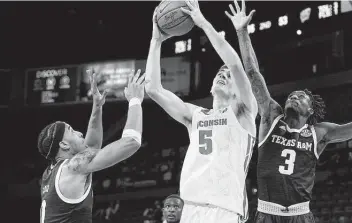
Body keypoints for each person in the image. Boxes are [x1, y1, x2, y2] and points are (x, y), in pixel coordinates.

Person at [227, 0, 352, 222]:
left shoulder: (319, 133)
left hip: (300, 215)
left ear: (310, 109)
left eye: (300, 97)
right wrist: (241, 31)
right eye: (291, 96)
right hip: (267, 213)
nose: (293, 97)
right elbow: (253, 74)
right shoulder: (271, 117)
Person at [145, 0, 258, 222]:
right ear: (210, 87)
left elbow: (234, 64)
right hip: (189, 208)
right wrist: (156, 40)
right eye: (220, 72)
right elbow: (153, 88)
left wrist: (203, 23)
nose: (224, 74)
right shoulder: (194, 116)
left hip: (224, 210)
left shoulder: (244, 112)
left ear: (239, 90)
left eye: (228, 76)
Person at [38, 69, 145, 223]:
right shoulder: (73, 167)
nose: (80, 132)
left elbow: (91, 147)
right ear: (64, 144)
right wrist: (135, 101)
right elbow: (131, 143)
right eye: (71, 131)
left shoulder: (52, 172)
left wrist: (97, 107)